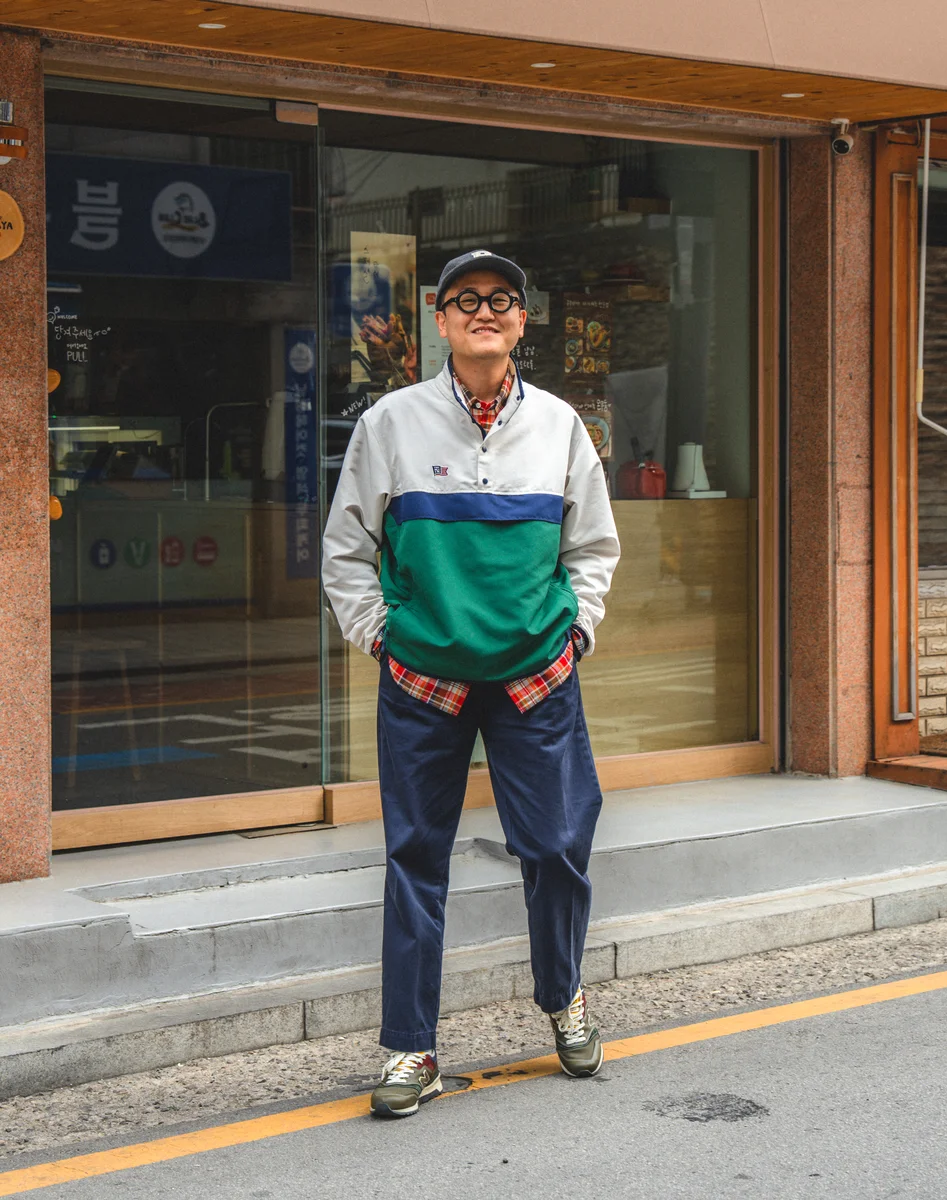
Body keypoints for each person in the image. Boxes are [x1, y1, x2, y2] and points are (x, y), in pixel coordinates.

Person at [322, 249, 620, 1118]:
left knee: (560, 846)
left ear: (523, 322)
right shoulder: (391, 423)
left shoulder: (563, 425)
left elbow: (591, 548)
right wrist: (383, 638)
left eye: (501, 300)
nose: (484, 311)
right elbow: (347, 550)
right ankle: (411, 1047)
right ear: (440, 322)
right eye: (465, 301)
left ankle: (564, 998)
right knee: (416, 859)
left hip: (538, 679)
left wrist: (576, 635)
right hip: (424, 681)